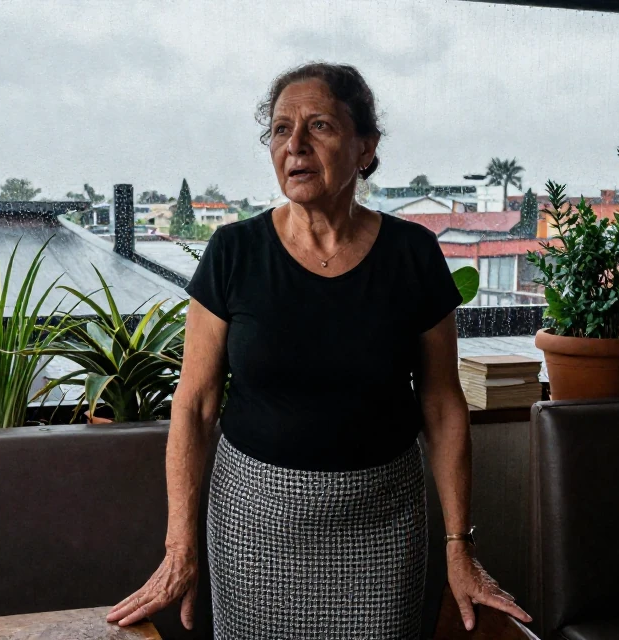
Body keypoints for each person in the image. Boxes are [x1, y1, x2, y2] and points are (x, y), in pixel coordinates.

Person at [106, 62, 530, 638]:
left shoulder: (413, 254)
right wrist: (181, 547)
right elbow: (195, 403)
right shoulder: (234, 252)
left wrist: (459, 545)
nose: (295, 145)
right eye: (281, 130)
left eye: (320, 126)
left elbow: (441, 403)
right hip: (254, 524)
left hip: (383, 524)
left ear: (365, 147)